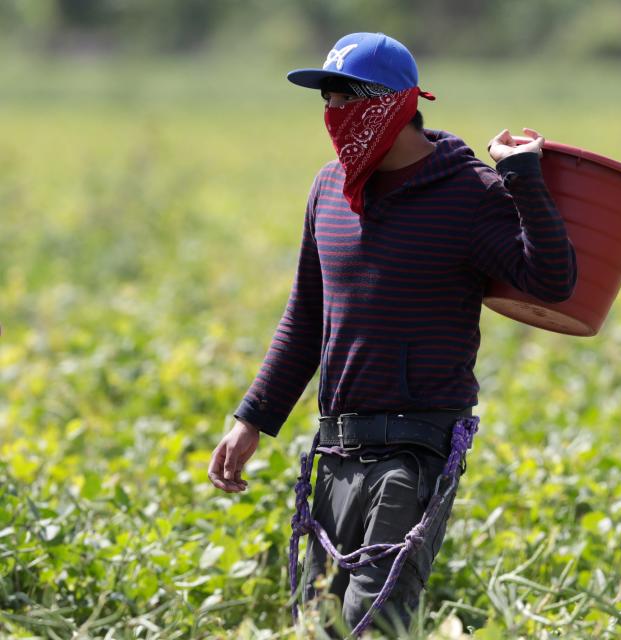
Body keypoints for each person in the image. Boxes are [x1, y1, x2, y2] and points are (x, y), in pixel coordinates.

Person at [207, 31, 577, 636]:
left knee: (371, 620)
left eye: (344, 100)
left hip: (417, 446)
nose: (332, 116)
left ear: (394, 105)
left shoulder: (468, 194)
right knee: (316, 619)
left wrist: (524, 179)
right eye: (325, 101)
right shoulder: (329, 192)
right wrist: (251, 419)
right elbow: (305, 316)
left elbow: (552, 280)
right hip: (337, 445)